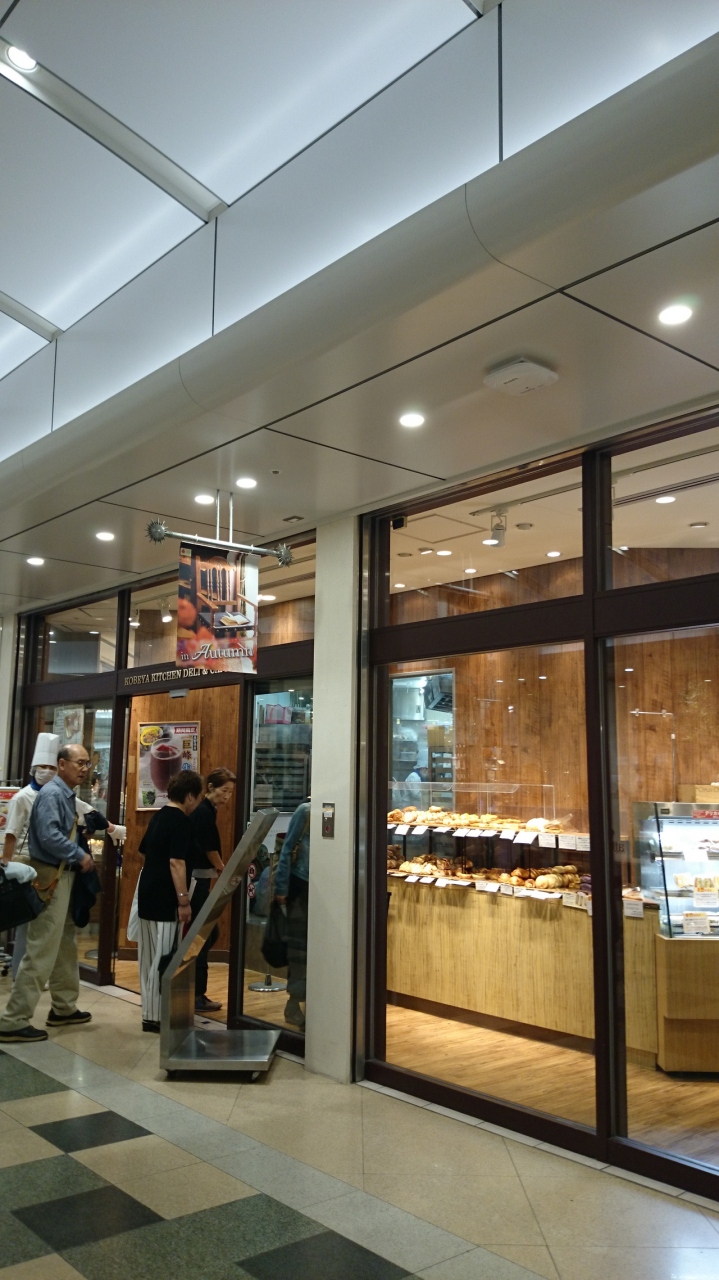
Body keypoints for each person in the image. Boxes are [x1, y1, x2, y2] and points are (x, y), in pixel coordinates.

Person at [0, 744, 96, 1044]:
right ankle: (13, 1020)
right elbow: (48, 835)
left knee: (64, 943)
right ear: (62, 764)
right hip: (51, 877)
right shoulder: (54, 794)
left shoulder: (64, 794)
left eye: (87, 763)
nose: (84, 769)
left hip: (61, 876)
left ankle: (64, 1007)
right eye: (79, 763)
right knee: (42, 947)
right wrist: (79, 854)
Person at [136, 770, 203, 1032]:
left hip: (147, 891)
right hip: (166, 897)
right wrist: (184, 901)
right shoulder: (182, 821)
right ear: (190, 796)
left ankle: (148, 1013)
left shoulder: (158, 816)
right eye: (198, 797)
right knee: (164, 957)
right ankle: (157, 1017)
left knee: (148, 957)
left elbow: (144, 852)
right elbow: (177, 862)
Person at [189, 766, 236, 1013]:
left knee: (207, 934)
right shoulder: (204, 812)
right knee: (203, 936)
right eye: (224, 790)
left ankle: (195, 990)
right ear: (210, 788)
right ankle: (196, 993)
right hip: (197, 881)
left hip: (201, 879)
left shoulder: (208, 810)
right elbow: (209, 848)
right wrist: (222, 869)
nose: (227, 796)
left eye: (230, 792)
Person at [273, 798, 310, 1029]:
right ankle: (294, 1003)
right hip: (301, 884)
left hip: (325, 886)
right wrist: (281, 887)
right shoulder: (306, 811)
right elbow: (287, 849)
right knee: (299, 947)